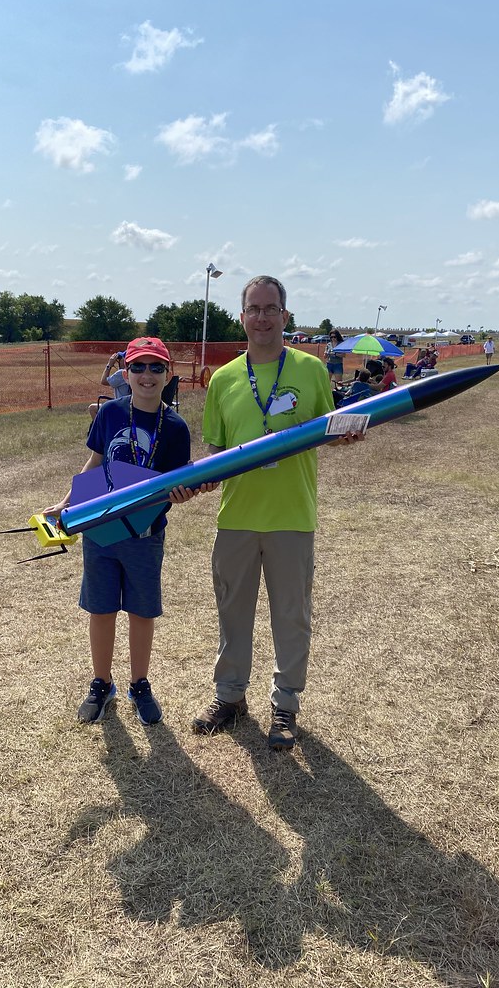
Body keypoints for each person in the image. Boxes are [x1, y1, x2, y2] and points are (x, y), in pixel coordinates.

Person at [189, 275, 362, 751]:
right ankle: (230, 698)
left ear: (286, 315)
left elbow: (330, 430)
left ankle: (285, 704)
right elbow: (215, 452)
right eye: (254, 308)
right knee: (232, 612)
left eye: (271, 308)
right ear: (241, 316)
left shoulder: (310, 370)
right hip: (237, 519)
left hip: (292, 517)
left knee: (291, 615)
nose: (262, 317)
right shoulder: (223, 379)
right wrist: (196, 481)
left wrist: (347, 435)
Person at [44, 336, 199, 728]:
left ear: (169, 375)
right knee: (101, 607)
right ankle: (101, 683)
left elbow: (175, 484)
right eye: (139, 367)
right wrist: (68, 502)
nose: (147, 375)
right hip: (100, 531)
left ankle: (139, 684)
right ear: (125, 373)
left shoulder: (176, 428)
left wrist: (180, 496)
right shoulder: (111, 413)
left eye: (156, 367)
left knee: (142, 610)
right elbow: (95, 462)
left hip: (145, 536)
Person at [88, 350, 130, 420]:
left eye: (120, 359)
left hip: (120, 407)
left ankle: (101, 430)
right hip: (128, 405)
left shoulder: (122, 373)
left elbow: (103, 381)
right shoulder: (132, 372)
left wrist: (109, 365)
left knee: (92, 408)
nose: (118, 361)